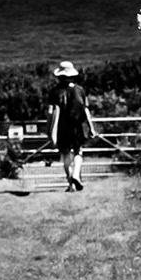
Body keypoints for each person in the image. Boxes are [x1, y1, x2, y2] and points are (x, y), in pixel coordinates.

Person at [47, 60, 94, 191]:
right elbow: (85, 109)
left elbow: (51, 113)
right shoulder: (80, 90)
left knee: (65, 154)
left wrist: (49, 130)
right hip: (78, 125)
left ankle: (71, 184)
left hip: (62, 127)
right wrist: (91, 127)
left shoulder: (54, 92)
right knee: (78, 151)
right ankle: (76, 175)